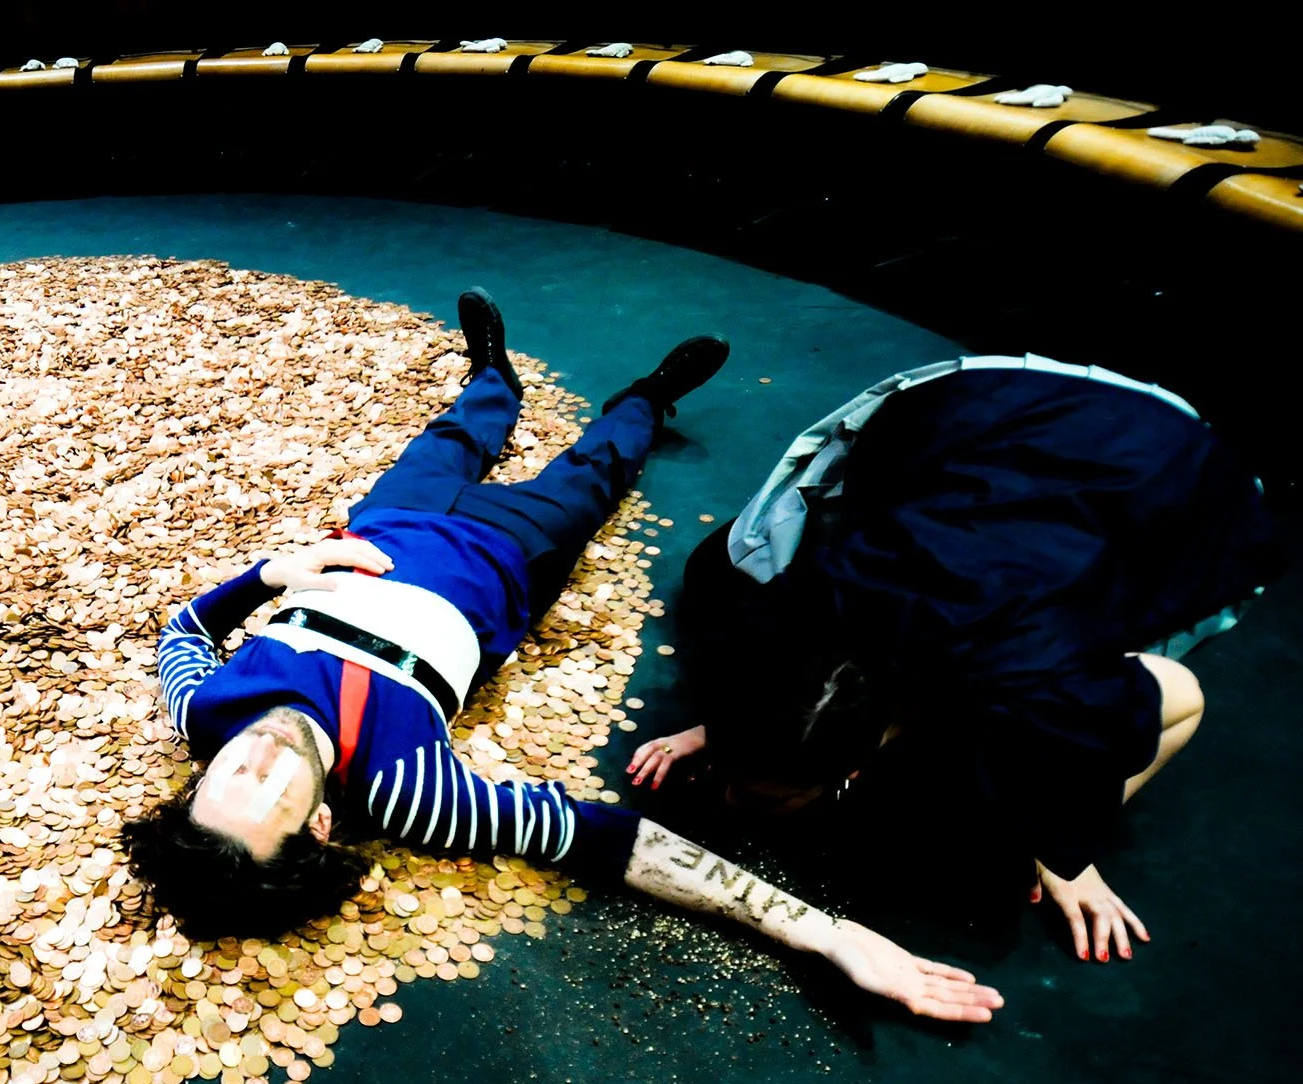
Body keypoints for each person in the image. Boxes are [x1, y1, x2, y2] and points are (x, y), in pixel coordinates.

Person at [124, 291, 1005, 1025]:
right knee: (595, 473)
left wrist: (271, 573)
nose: (257, 756)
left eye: (223, 778)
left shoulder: (206, 712)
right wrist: (825, 931)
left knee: (450, 437)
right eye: (272, 792)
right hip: (511, 553)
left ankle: (492, 374)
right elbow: (610, 840)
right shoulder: (408, 790)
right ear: (319, 825)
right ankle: (652, 394)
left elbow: (182, 636)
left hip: (387, 522)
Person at [628, 354, 1281, 963]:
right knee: (716, 571)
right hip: (987, 414)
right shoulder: (793, 600)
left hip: (1172, 468)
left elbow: (1185, 697)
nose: (733, 803)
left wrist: (1063, 847)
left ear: (853, 770)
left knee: (987, 843)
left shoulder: (1035, 692)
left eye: (770, 796)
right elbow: (779, 675)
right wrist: (725, 728)